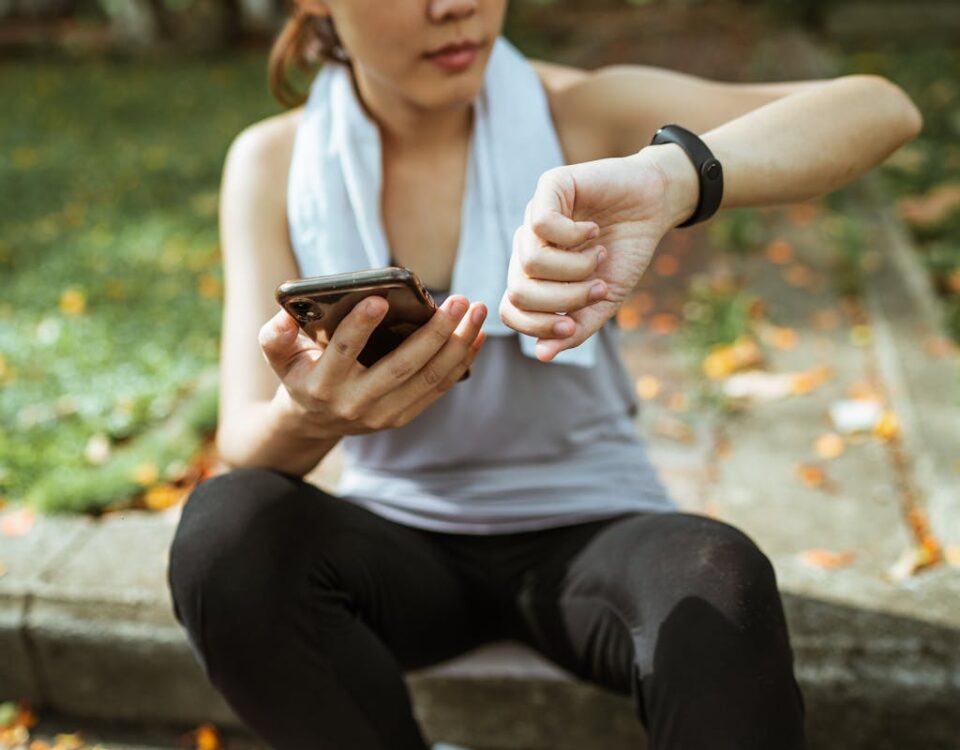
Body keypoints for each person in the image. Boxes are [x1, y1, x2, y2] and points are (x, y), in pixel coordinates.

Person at [166, 1, 923, 748]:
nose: (454, 6)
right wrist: (315, 416)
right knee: (224, 533)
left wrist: (671, 177)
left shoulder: (582, 113)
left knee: (718, 577)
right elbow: (245, 441)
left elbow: (878, 109)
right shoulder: (272, 164)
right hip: (399, 544)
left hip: (594, 531)